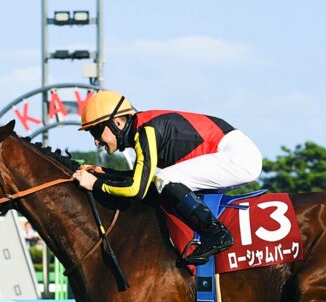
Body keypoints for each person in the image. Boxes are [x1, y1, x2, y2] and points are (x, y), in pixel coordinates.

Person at [70, 90, 263, 265]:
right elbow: (144, 178)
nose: (96, 141)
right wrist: (106, 173)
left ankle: (216, 233)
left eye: (96, 131)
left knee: (166, 178)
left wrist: (95, 184)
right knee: (162, 179)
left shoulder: (146, 130)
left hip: (237, 155)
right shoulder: (143, 128)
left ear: (117, 122)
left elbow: (137, 190)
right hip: (230, 153)